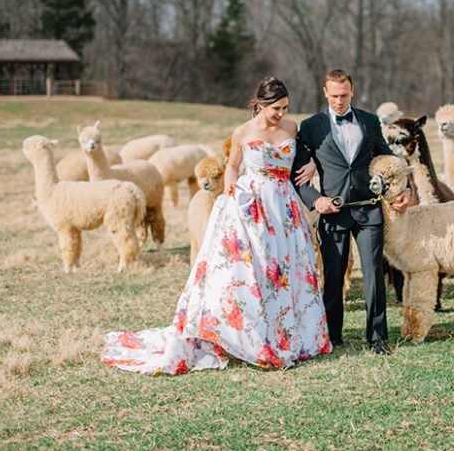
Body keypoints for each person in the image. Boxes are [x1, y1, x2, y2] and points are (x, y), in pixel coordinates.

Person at [101, 77, 331, 374]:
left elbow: (300, 156)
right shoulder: (243, 132)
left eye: (285, 107)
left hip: (283, 206)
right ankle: (251, 334)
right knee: (256, 266)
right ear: (260, 105)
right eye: (275, 108)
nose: (281, 113)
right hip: (253, 203)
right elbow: (233, 165)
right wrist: (232, 192)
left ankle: (287, 331)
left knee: (285, 268)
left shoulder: (291, 127)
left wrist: (311, 164)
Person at [292, 69, 411, 355]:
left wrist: (405, 189)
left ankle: (378, 338)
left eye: (344, 95)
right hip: (332, 212)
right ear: (325, 93)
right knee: (333, 276)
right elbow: (297, 174)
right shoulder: (311, 126)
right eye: (334, 96)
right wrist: (315, 199)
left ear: (352, 91)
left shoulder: (369, 121)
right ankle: (332, 336)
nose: (339, 101)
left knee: (373, 274)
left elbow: (387, 158)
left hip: (368, 210)